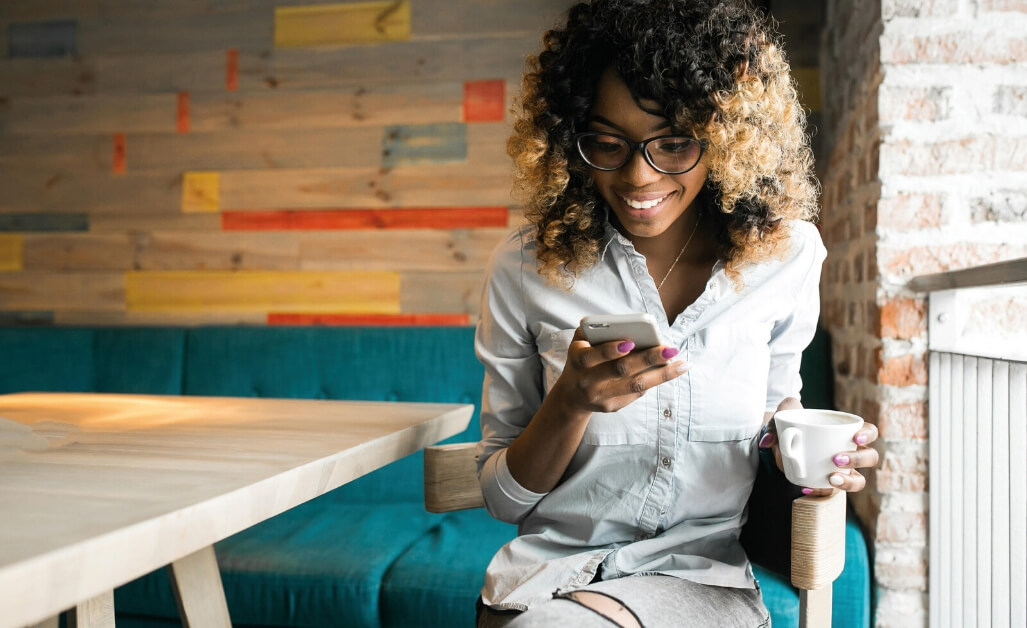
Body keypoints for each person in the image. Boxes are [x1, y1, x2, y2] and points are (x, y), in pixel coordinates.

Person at [473, 1, 880, 626]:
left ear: (727, 138)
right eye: (607, 143)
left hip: (700, 581)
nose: (639, 176)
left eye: (674, 143)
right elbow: (501, 499)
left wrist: (818, 462)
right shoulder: (524, 270)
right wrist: (570, 404)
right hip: (546, 582)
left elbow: (777, 415)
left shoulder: (787, 256)